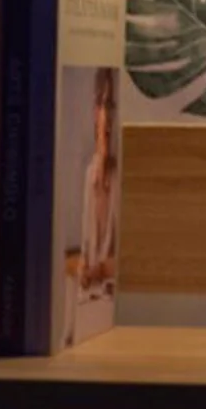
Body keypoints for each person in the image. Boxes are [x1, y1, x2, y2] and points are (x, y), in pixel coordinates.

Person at [77, 67, 119, 298]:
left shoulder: (118, 176)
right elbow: (84, 249)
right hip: (90, 297)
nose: (106, 115)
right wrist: (84, 268)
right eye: (101, 105)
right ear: (94, 112)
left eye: (111, 106)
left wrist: (100, 271)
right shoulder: (89, 173)